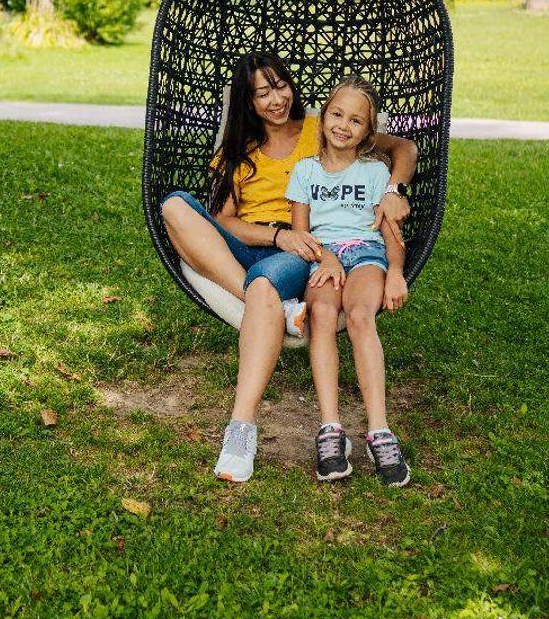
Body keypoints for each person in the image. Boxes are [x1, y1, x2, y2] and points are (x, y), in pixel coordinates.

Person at [157, 53, 415, 483]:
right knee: (174, 207)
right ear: (248, 101)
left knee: (264, 284)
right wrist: (276, 237)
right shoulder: (237, 151)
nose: (276, 100)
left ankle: (240, 431)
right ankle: (276, 307)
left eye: (280, 87)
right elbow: (224, 221)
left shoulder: (320, 129)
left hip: (301, 249)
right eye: (262, 93)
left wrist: (393, 190)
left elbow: (403, 148)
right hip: (257, 245)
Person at [287, 79, 414, 488]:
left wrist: (396, 272)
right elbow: (301, 234)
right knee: (323, 313)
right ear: (323, 116)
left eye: (356, 121)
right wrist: (325, 256)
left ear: (368, 131)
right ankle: (331, 429)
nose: (343, 125)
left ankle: (379, 431)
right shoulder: (305, 171)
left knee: (359, 316)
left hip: (366, 254)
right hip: (323, 255)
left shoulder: (375, 172)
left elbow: (390, 233)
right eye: (337, 114)